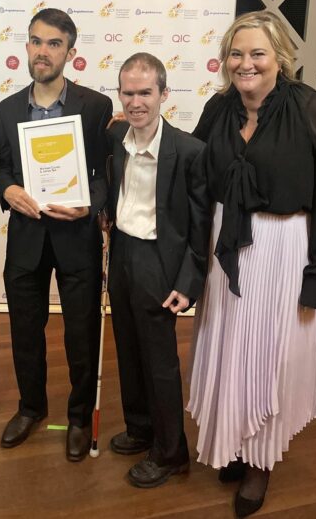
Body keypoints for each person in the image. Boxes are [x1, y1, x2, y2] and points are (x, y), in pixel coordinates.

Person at [187, 10, 316, 517]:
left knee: (267, 356)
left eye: (257, 53)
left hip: (282, 249)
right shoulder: (218, 107)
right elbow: (191, 166)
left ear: (280, 57)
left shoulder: (312, 109)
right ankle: (236, 441)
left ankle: (260, 460)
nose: (245, 64)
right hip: (225, 248)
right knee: (230, 349)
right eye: (236, 53)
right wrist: (136, 136)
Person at [0, 8, 113, 461]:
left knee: (81, 332)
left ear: (71, 53)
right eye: (36, 41)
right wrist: (8, 188)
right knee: (26, 329)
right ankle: (30, 408)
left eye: (54, 44)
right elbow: (0, 166)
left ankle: (79, 417)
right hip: (26, 238)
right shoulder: (7, 108)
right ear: (27, 46)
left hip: (76, 236)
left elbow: (105, 174)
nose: (43, 51)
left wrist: (92, 203)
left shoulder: (95, 107)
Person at [105, 52, 211, 487]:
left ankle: (171, 452)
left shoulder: (190, 152)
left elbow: (202, 227)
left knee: (160, 361)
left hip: (159, 261)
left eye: (145, 92)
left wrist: (188, 283)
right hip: (123, 253)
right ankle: (140, 428)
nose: (136, 102)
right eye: (128, 92)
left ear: (163, 94)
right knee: (128, 350)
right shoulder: (115, 138)